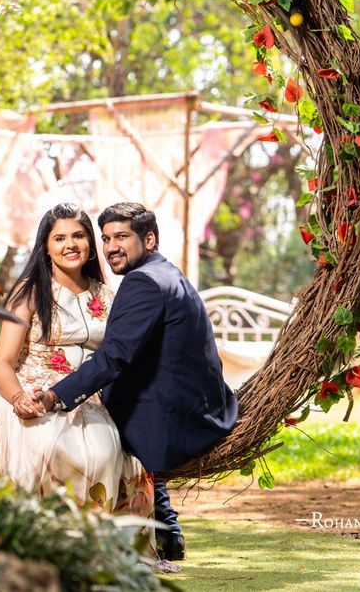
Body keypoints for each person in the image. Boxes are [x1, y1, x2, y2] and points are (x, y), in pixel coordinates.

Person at [29, 202, 239, 562]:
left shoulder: (142, 283)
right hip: (203, 403)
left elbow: (113, 358)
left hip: (172, 415)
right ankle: (167, 527)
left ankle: (76, 540)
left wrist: (54, 396)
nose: (111, 246)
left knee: (86, 434)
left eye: (122, 237)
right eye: (107, 238)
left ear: (149, 239)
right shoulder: (166, 272)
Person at [0, 203, 173, 570]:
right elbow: (2, 362)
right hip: (28, 389)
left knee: (108, 453)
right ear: (45, 246)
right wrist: (18, 398)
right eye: (60, 237)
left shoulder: (106, 293)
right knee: (47, 443)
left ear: (90, 243)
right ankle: (37, 546)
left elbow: (119, 355)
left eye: (78, 235)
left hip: (86, 394)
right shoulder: (30, 292)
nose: (70, 244)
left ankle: (95, 551)